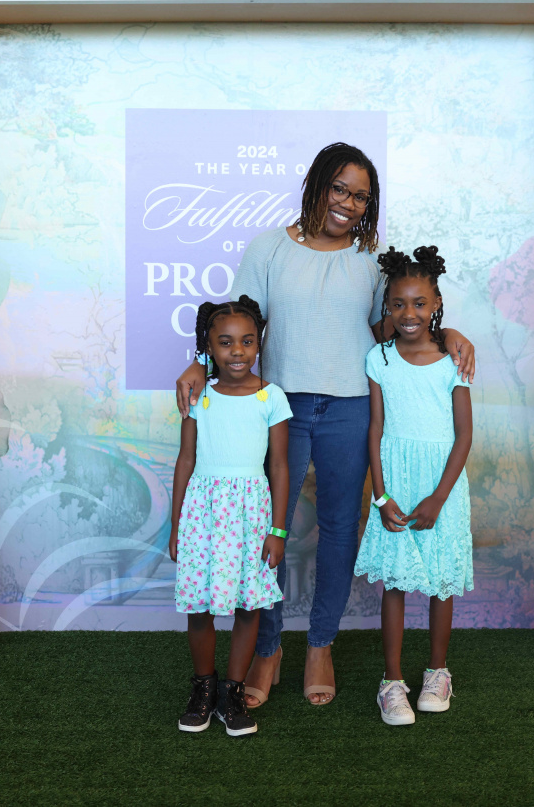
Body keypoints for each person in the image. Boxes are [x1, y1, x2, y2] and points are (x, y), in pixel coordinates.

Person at [176, 142, 476, 707]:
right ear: (316, 185)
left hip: (350, 406)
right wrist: (198, 360)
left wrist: (448, 333)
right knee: (270, 526)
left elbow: (397, 325)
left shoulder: (372, 260)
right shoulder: (268, 248)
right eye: (340, 188)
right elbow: (235, 320)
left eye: (361, 196)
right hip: (281, 407)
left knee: (340, 527)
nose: (348, 203)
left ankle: (320, 644)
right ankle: (268, 648)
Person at [353, 246, 474, 726]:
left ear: (436, 303)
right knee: (396, 583)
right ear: (386, 306)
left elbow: (464, 435)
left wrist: (439, 498)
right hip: (396, 483)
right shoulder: (379, 359)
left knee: (441, 582)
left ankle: (438, 673)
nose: (409, 313)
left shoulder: (452, 361)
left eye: (420, 303)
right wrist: (381, 496)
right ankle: (392, 682)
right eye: (399, 304)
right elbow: (375, 430)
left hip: (442, 485)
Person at [169, 296, 291, 737]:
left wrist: (278, 530)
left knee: (248, 605)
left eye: (247, 341)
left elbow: (279, 466)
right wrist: (176, 524)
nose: (237, 351)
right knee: (199, 607)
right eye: (225, 342)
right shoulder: (198, 395)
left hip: (251, 516)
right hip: (203, 513)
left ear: (259, 344)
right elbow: (186, 459)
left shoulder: (271, 397)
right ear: (208, 347)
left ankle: (232, 694)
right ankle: (203, 689)